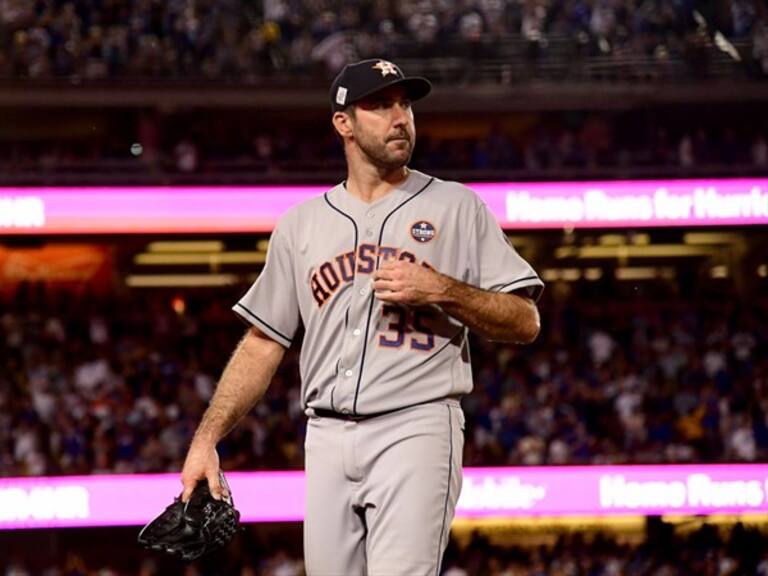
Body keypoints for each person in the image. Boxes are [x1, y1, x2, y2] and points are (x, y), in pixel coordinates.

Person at [180, 58, 544, 575]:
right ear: (343, 123)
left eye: (405, 104)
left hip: (415, 425)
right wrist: (206, 439)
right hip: (325, 436)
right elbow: (265, 342)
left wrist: (443, 289)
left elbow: (525, 320)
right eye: (379, 105)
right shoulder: (300, 225)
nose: (400, 118)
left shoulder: (458, 208)